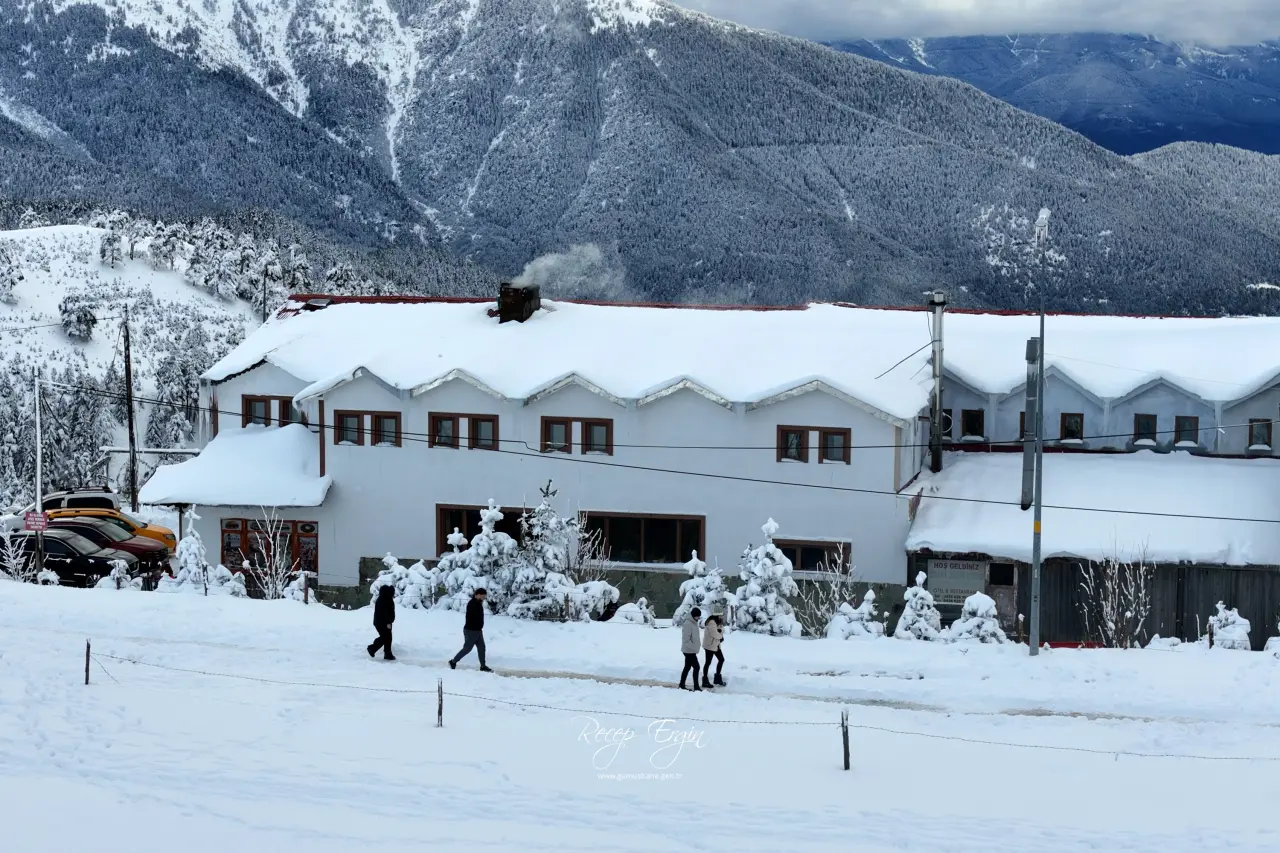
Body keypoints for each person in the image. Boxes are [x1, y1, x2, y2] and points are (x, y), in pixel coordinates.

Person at [449, 587, 492, 672]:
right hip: (471, 631)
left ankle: (483, 666)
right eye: (482, 596)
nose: (483, 598)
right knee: (467, 649)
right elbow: (473, 617)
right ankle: (453, 661)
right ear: (478, 595)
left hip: (478, 631)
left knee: (482, 647)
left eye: (484, 597)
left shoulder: (478, 603)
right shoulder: (472, 604)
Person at [367, 584, 396, 661]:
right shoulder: (387, 600)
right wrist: (389, 622)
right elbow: (387, 613)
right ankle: (372, 648)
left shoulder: (381, 598)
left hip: (379, 622)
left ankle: (387, 653)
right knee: (386, 638)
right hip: (384, 623)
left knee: (387, 637)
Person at [679, 607, 703, 691]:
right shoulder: (688, 624)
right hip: (688, 650)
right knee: (696, 667)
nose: (698, 618)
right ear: (693, 615)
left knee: (687, 667)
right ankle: (696, 687)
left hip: (690, 650)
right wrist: (694, 647)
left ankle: (682, 684)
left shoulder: (693, 622)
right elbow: (686, 640)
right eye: (697, 616)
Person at [702, 614, 725, 688]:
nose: (722, 617)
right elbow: (714, 634)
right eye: (721, 615)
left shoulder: (718, 622)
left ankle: (717, 678)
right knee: (708, 663)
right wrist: (720, 636)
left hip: (715, 644)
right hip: (710, 646)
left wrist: (720, 631)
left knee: (721, 660)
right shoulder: (712, 622)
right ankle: (705, 680)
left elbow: (721, 631)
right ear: (717, 615)